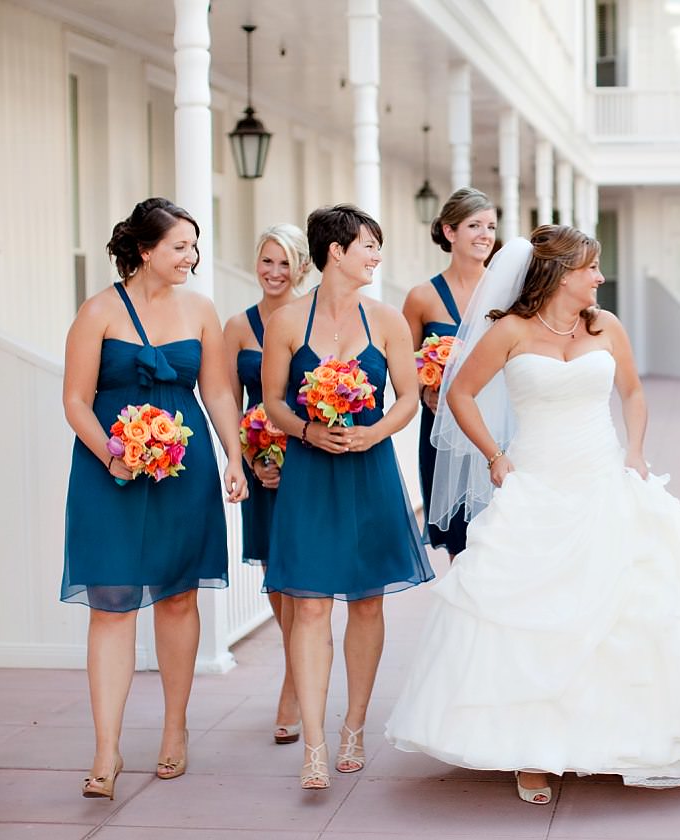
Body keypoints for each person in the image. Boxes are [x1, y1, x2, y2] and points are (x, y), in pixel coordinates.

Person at [386, 227, 680, 804]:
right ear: (560, 274)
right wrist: (495, 455)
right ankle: (530, 751)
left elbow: (632, 393)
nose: (600, 278)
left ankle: (617, 735)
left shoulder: (605, 327)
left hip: (603, 474)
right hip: (535, 479)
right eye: (591, 268)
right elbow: (460, 393)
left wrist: (635, 450)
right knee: (533, 611)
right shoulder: (509, 330)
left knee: (631, 605)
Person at [62, 198, 247, 799]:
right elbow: (74, 400)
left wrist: (234, 458)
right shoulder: (96, 312)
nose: (191, 257)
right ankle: (106, 749)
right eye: (179, 246)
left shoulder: (200, 309)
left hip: (182, 471)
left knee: (176, 597)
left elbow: (219, 392)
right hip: (106, 472)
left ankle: (174, 729)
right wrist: (110, 453)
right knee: (111, 605)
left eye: (194, 246)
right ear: (145, 250)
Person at [261, 204, 433, 790]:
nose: (375, 256)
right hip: (309, 473)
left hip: (371, 472)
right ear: (336, 251)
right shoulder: (286, 323)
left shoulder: (387, 321)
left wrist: (372, 431)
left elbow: (408, 398)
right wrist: (308, 430)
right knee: (309, 605)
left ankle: (353, 727)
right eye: (368, 245)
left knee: (367, 602)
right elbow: (275, 404)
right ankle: (313, 745)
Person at [222, 224, 312, 745]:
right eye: (266, 261)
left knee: (302, 573)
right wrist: (250, 458)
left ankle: (294, 685)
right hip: (262, 464)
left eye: (284, 262)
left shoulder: (313, 318)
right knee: (276, 577)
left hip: (307, 456)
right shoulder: (237, 326)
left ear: (301, 266)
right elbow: (231, 404)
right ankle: (297, 668)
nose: (274, 272)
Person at [402, 188, 497, 559]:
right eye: (474, 225)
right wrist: (424, 387)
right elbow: (404, 367)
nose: (485, 234)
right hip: (441, 431)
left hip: (495, 428)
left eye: (490, 225)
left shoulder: (509, 292)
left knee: (499, 535)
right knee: (459, 544)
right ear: (449, 231)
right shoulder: (421, 297)